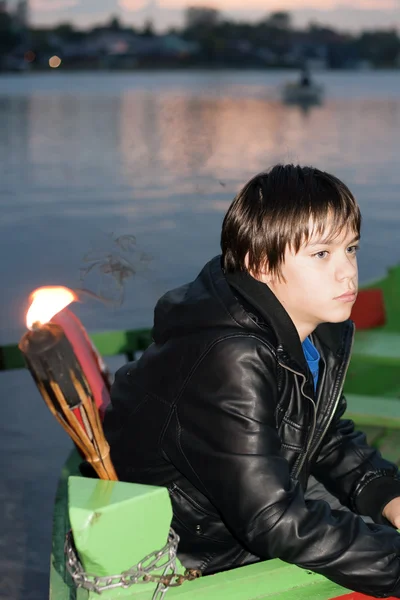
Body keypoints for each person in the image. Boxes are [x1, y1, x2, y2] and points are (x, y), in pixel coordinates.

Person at [103, 164, 400, 598]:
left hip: (252, 504)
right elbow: (270, 519)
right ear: (260, 263)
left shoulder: (312, 323)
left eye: (350, 249)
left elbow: (327, 435)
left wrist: (387, 493)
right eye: (322, 254)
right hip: (201, 549)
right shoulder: (230, 355)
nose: (347, 273)